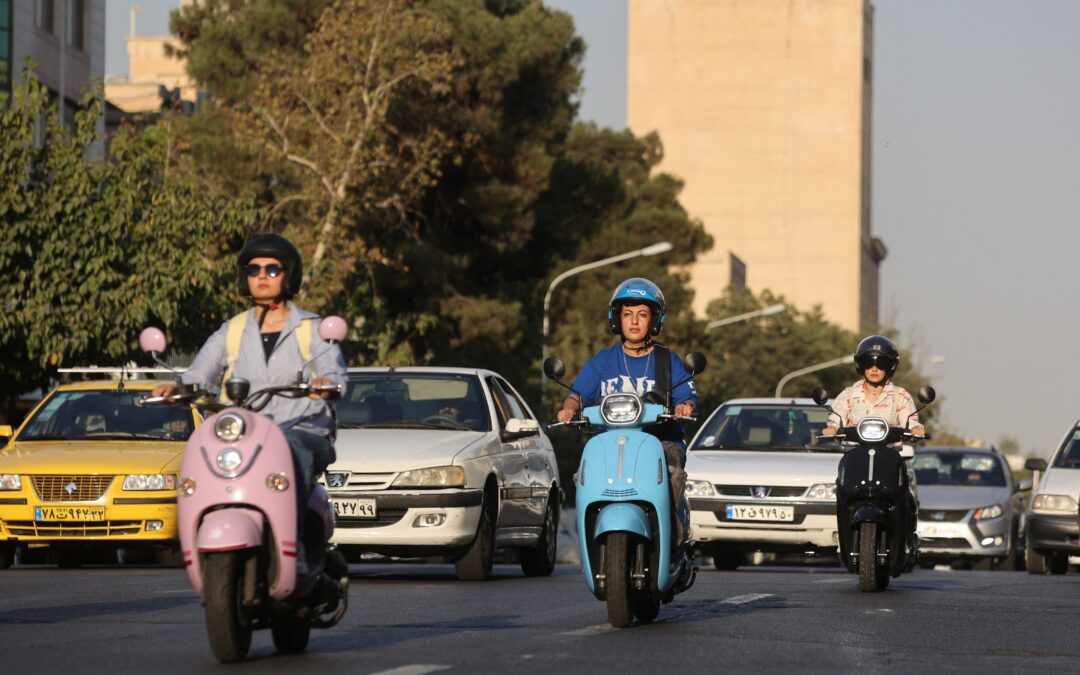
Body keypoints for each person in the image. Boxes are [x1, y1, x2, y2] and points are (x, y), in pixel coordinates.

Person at [151, 234, 346, 574]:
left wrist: (325, 384)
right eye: (254, 268)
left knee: (291, 447)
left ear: (290, 276)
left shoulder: (311, 328)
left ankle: (296, 545)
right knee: (203, 446)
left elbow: (333, 369)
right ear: (245, 276)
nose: (262, 275)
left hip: (301, 426)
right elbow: (201, 371)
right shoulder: (233, 329)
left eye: (273, 268)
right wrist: (178, 385)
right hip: (246, 430)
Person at [555, 277, 699, 546]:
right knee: (585, 469)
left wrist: (684, 406)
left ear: (655, 320)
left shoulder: (668, 360)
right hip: (612, 441)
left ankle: (670, 535)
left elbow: (687, 396)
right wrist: (568, 409)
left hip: (661, 442)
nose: (634, 321)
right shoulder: (603, 360)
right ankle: (592, 535)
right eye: (627, 314)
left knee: (671, 471)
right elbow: (577, 394)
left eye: (642, 314)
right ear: (616, 319)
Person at [822, 335, 925, 436]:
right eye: (868, 362)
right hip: (854, 450)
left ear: (891, 366)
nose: (874, 369)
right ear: (860, 365)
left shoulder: (900, 396)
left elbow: (911, 423)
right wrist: (832, 429)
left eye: (881, 363)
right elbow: (835, 422)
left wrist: (915, 430)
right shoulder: (849, 395)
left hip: (888, 451)